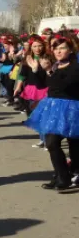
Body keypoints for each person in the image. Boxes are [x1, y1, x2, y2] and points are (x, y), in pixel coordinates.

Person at [25, 35, 79, 191]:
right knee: (51, 142)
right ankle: (62, 176)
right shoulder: (55, 66)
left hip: (72, 109)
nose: (58, 51)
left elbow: (63, 84)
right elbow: (44, 85)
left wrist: (48, 71)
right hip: (54, 108)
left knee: (75, 146)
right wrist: (36, 71)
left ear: (70, 50)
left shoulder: (75, 67)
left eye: (62, 48)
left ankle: (70, 173)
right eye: (56, 48)